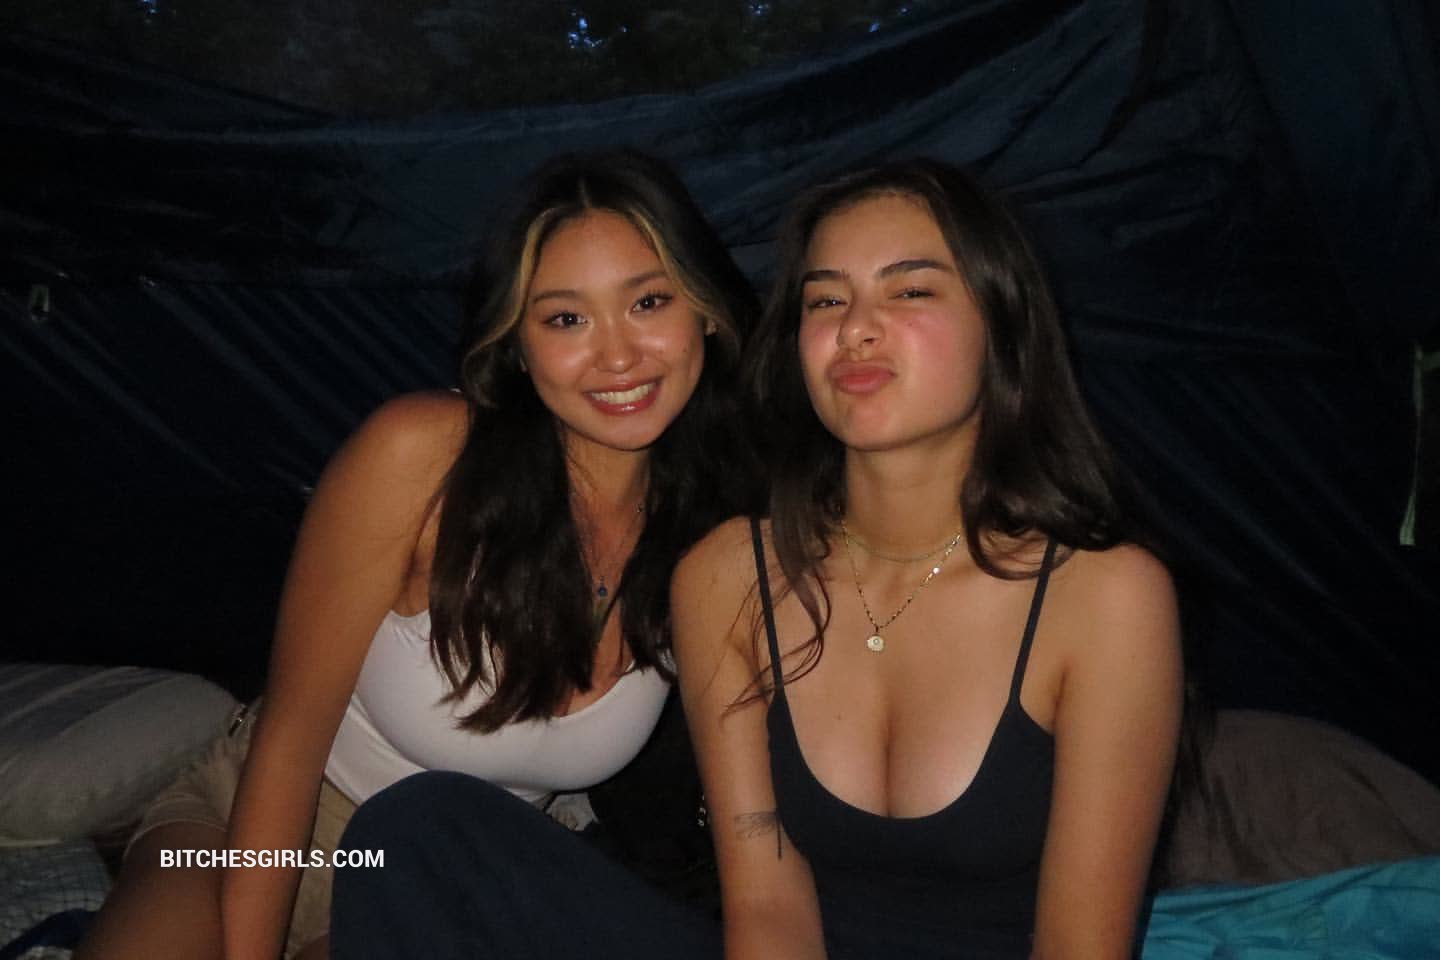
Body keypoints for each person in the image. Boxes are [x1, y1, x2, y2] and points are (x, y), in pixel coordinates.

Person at [75, 149, 759, 960]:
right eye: (565, 319)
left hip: (456, 876)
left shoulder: (720, 536)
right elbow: (289, 741)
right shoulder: (426, 457)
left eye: (648, 301)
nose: (617, 356)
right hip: (261, 829)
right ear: (517, 343)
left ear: (705, 310)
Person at [671, 159, 1183, 959]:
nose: (856, 329)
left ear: (1001, 326)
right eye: (825, 300)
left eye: (910, 291)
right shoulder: (727, 577)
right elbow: (766, 909)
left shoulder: (1105, 596)